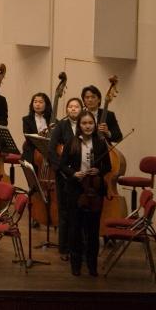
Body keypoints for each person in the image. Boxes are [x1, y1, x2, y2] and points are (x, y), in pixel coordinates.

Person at [61, 110, 110, 277]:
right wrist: (74, 173)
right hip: (76, 190)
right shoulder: (72, 142)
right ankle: (76, 264)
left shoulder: (100, 143)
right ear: (79, 126)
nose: (87, 126)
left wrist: (99, 170)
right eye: (84, 123)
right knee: (75, 229)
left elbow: (108, 167)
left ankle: (92, 264)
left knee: (93, 230)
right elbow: (62, 165)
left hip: (95, 191)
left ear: (94, 125)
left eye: (90, 123)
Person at [48, 97, 84, 260]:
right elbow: (51, 150)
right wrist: (61, 169)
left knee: (80, 211)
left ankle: (80, 247)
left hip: (82, 175)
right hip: (63, 174)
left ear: (81, 109)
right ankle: (64, 249)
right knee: (64, 212)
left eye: (76, 106)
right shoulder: (60, 126)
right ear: (66, 110)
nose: (73, 109)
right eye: (70, 106)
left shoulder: (86, 125)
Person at [21, 92, 53, 168]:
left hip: (48, 151)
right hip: (32, 150)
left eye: (41, 102)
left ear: (46, 104)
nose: (37, 104)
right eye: (35, 102)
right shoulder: (26, 120)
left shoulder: (53, 120)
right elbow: (28, 139)